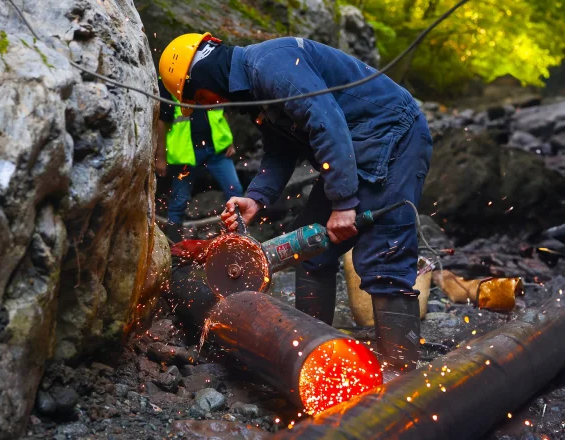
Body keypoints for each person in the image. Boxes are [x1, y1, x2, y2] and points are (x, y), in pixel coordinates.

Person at [158, 33, 433, 372]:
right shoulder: (256, 90)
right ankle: (315, 357)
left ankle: (402, 374)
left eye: (201, 97)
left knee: (383, 258)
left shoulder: (271, 64)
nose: (211, 104)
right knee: (310, 249)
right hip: (353, 148)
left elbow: (327, 122)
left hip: (393, 138)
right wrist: (256, 197)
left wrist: (344, 204)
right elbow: (280, 151)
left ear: (203, 74)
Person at [156, 76, 243, 243]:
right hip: (185, 154)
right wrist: (160, 157)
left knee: (235, 190)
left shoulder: (206, 73)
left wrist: (228, 139)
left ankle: (238, 239)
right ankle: (175, 248)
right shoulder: (169, 80)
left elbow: (221, 110)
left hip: (216, 149)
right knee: (179, 201)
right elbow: (162, 121)